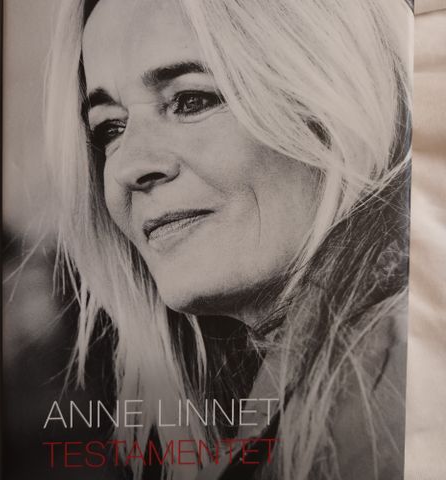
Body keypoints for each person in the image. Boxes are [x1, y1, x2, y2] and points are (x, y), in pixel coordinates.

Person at [45, 0, 412, 478]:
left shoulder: (391, 376)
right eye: (110, 127)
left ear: (336, 98)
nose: (128, 168)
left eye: (191, 100)